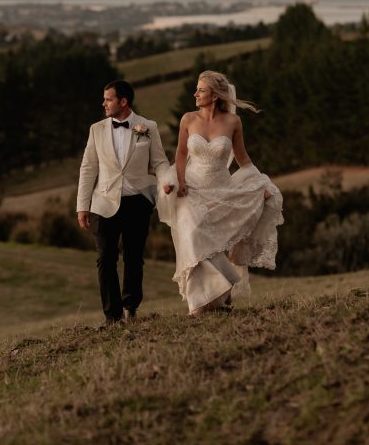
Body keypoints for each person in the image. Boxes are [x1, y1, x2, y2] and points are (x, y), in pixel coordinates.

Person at [157, 70, 283, 316]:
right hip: (191, 187)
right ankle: (198, 303)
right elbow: (181, 155)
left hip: (221, 188)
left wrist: (261, 184)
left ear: (214, 96)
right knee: (192, 233)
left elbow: (242, 158)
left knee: (217, 243)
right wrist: (178, 180)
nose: (195, 94)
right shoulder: (188, 119)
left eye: (200, 90)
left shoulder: (233, 122)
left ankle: (222, 297)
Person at [77, 80, 173, 326]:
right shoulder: (96, 129)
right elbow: (88, 168)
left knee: (133, 258)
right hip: (103, 202)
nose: (103, 104)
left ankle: (131, 308)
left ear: (123, 101)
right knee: (105, 258)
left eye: (108, 99)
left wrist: (166, 181)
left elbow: (160, 162)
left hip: (138, 203)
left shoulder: (148, 127)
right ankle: (112, 316)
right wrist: (82, 205)